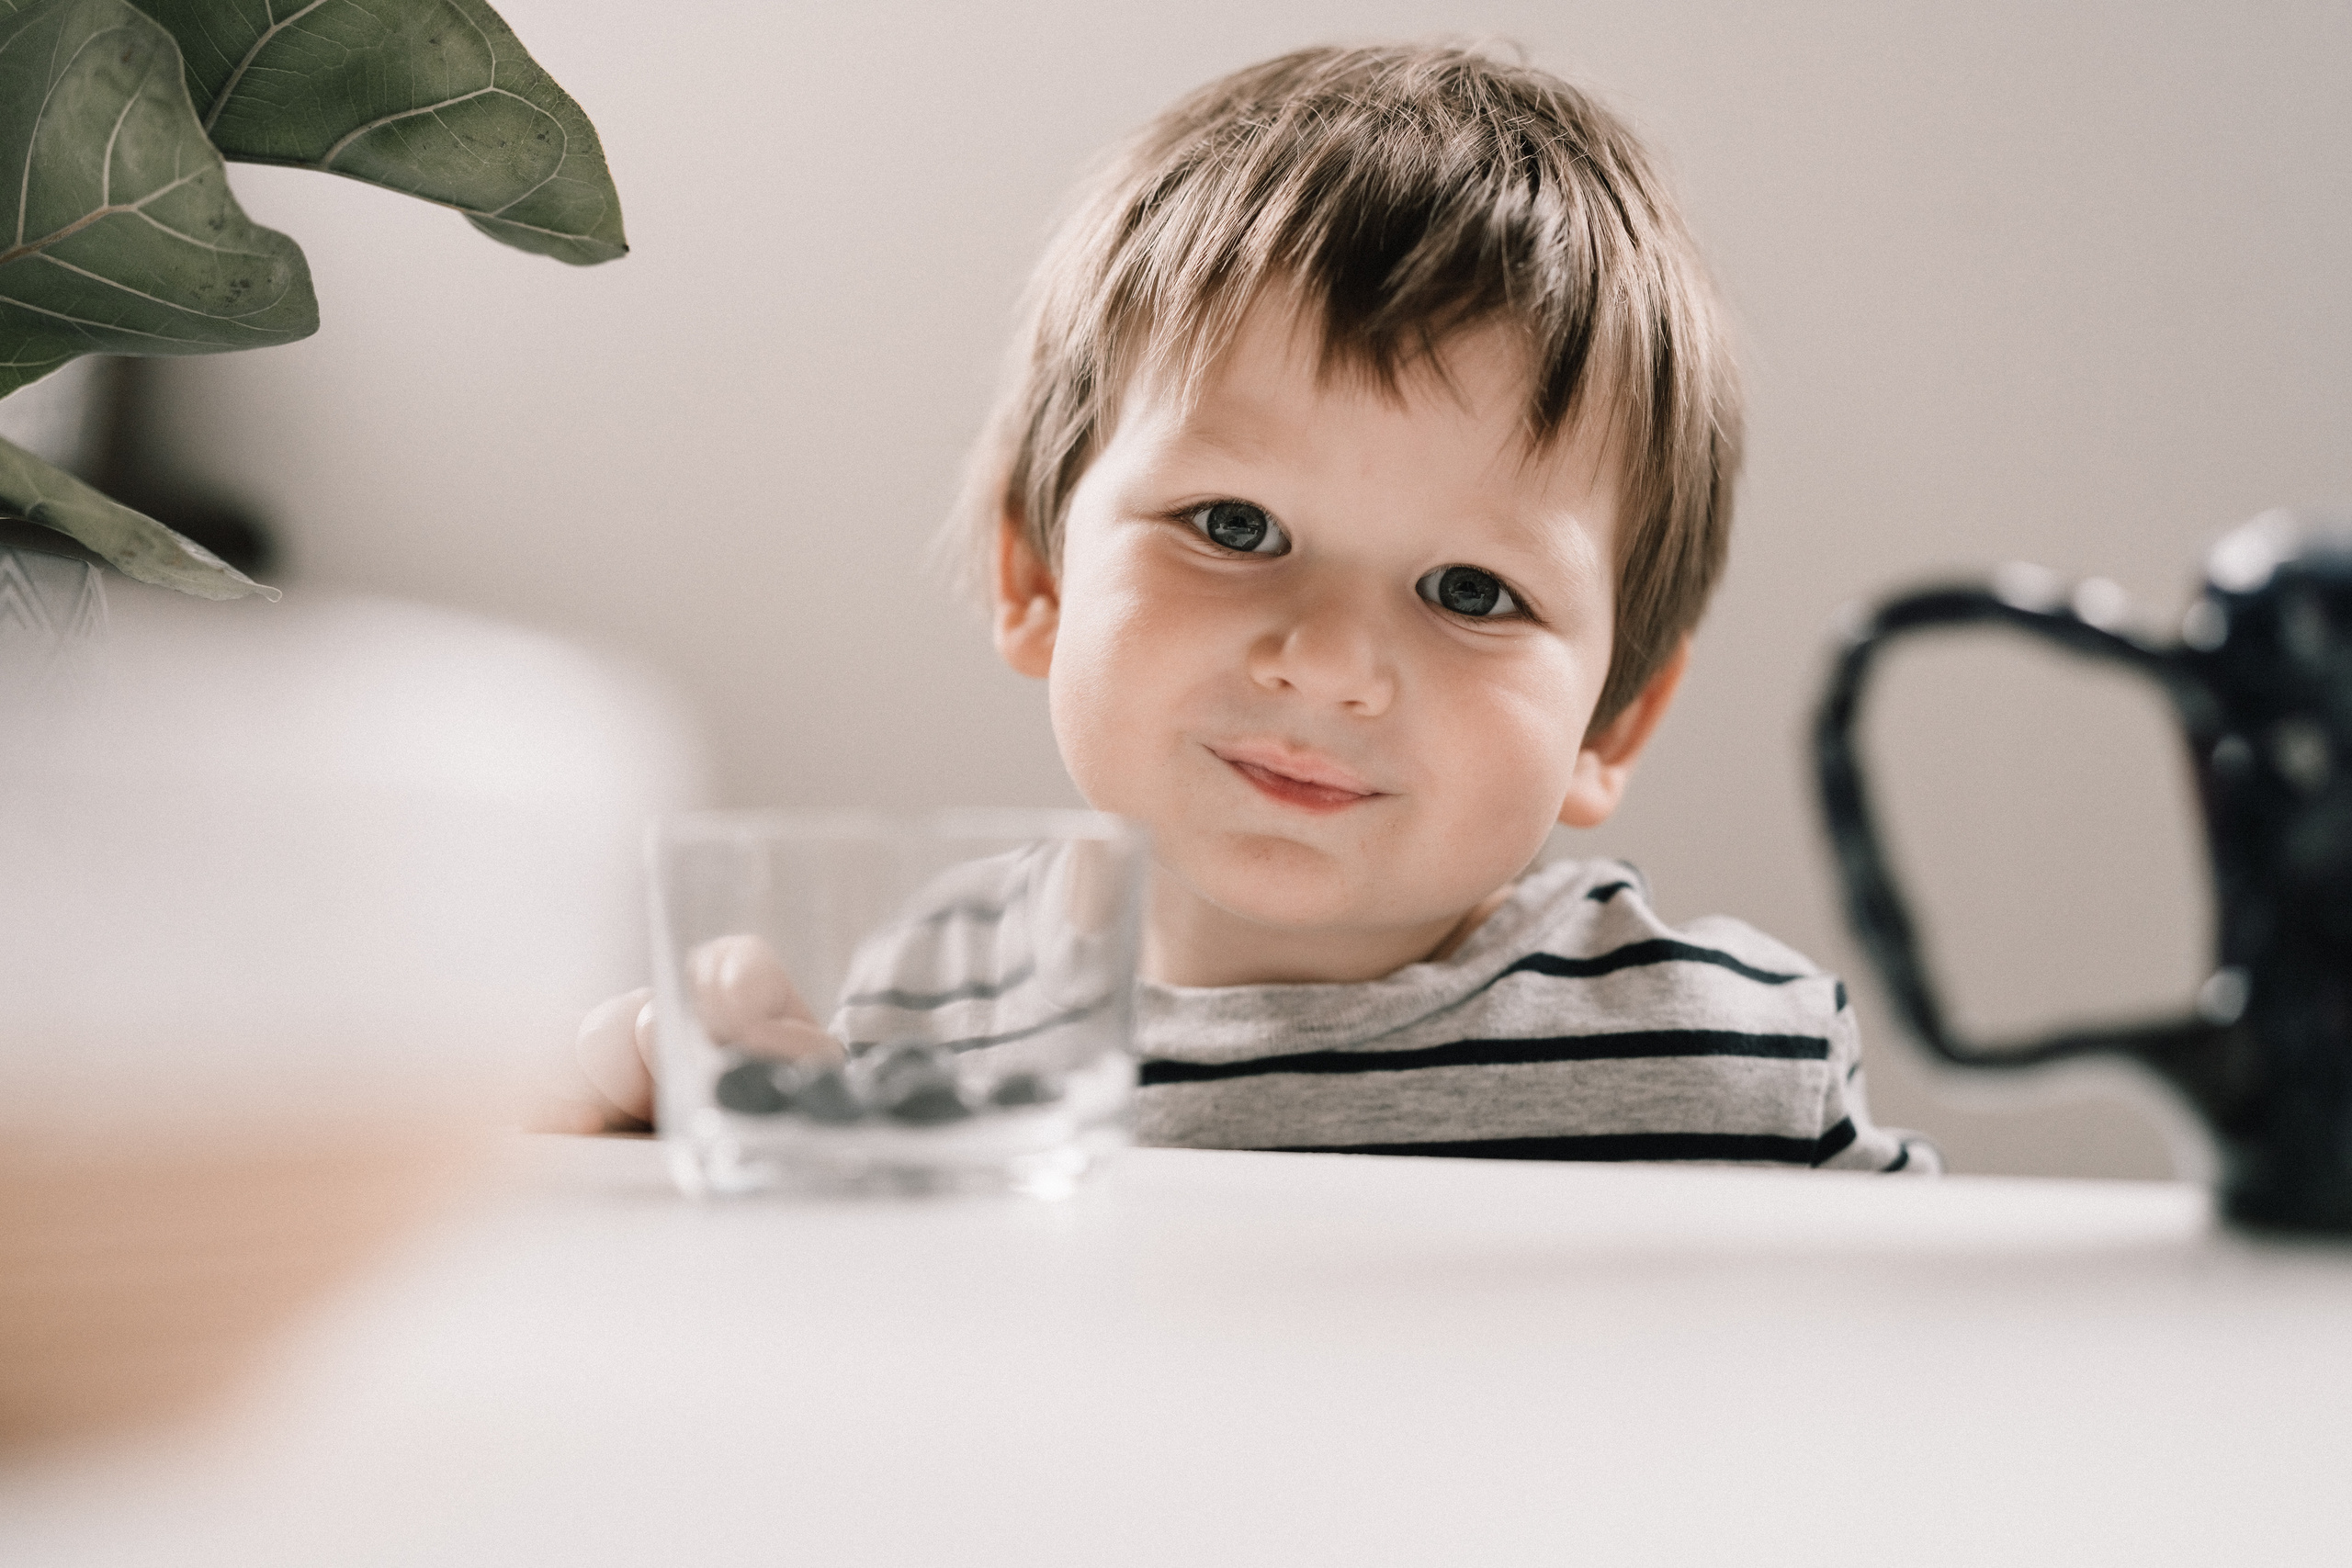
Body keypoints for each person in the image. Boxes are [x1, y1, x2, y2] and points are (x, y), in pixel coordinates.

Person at [556, 41, 1935, 1173]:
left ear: (1614, 719)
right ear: (1036, 575)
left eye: (1472, 592)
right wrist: (656, 1147)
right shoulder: (925, 1007)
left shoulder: (1735, 1066)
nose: (1330, 664)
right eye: (1234, 527)